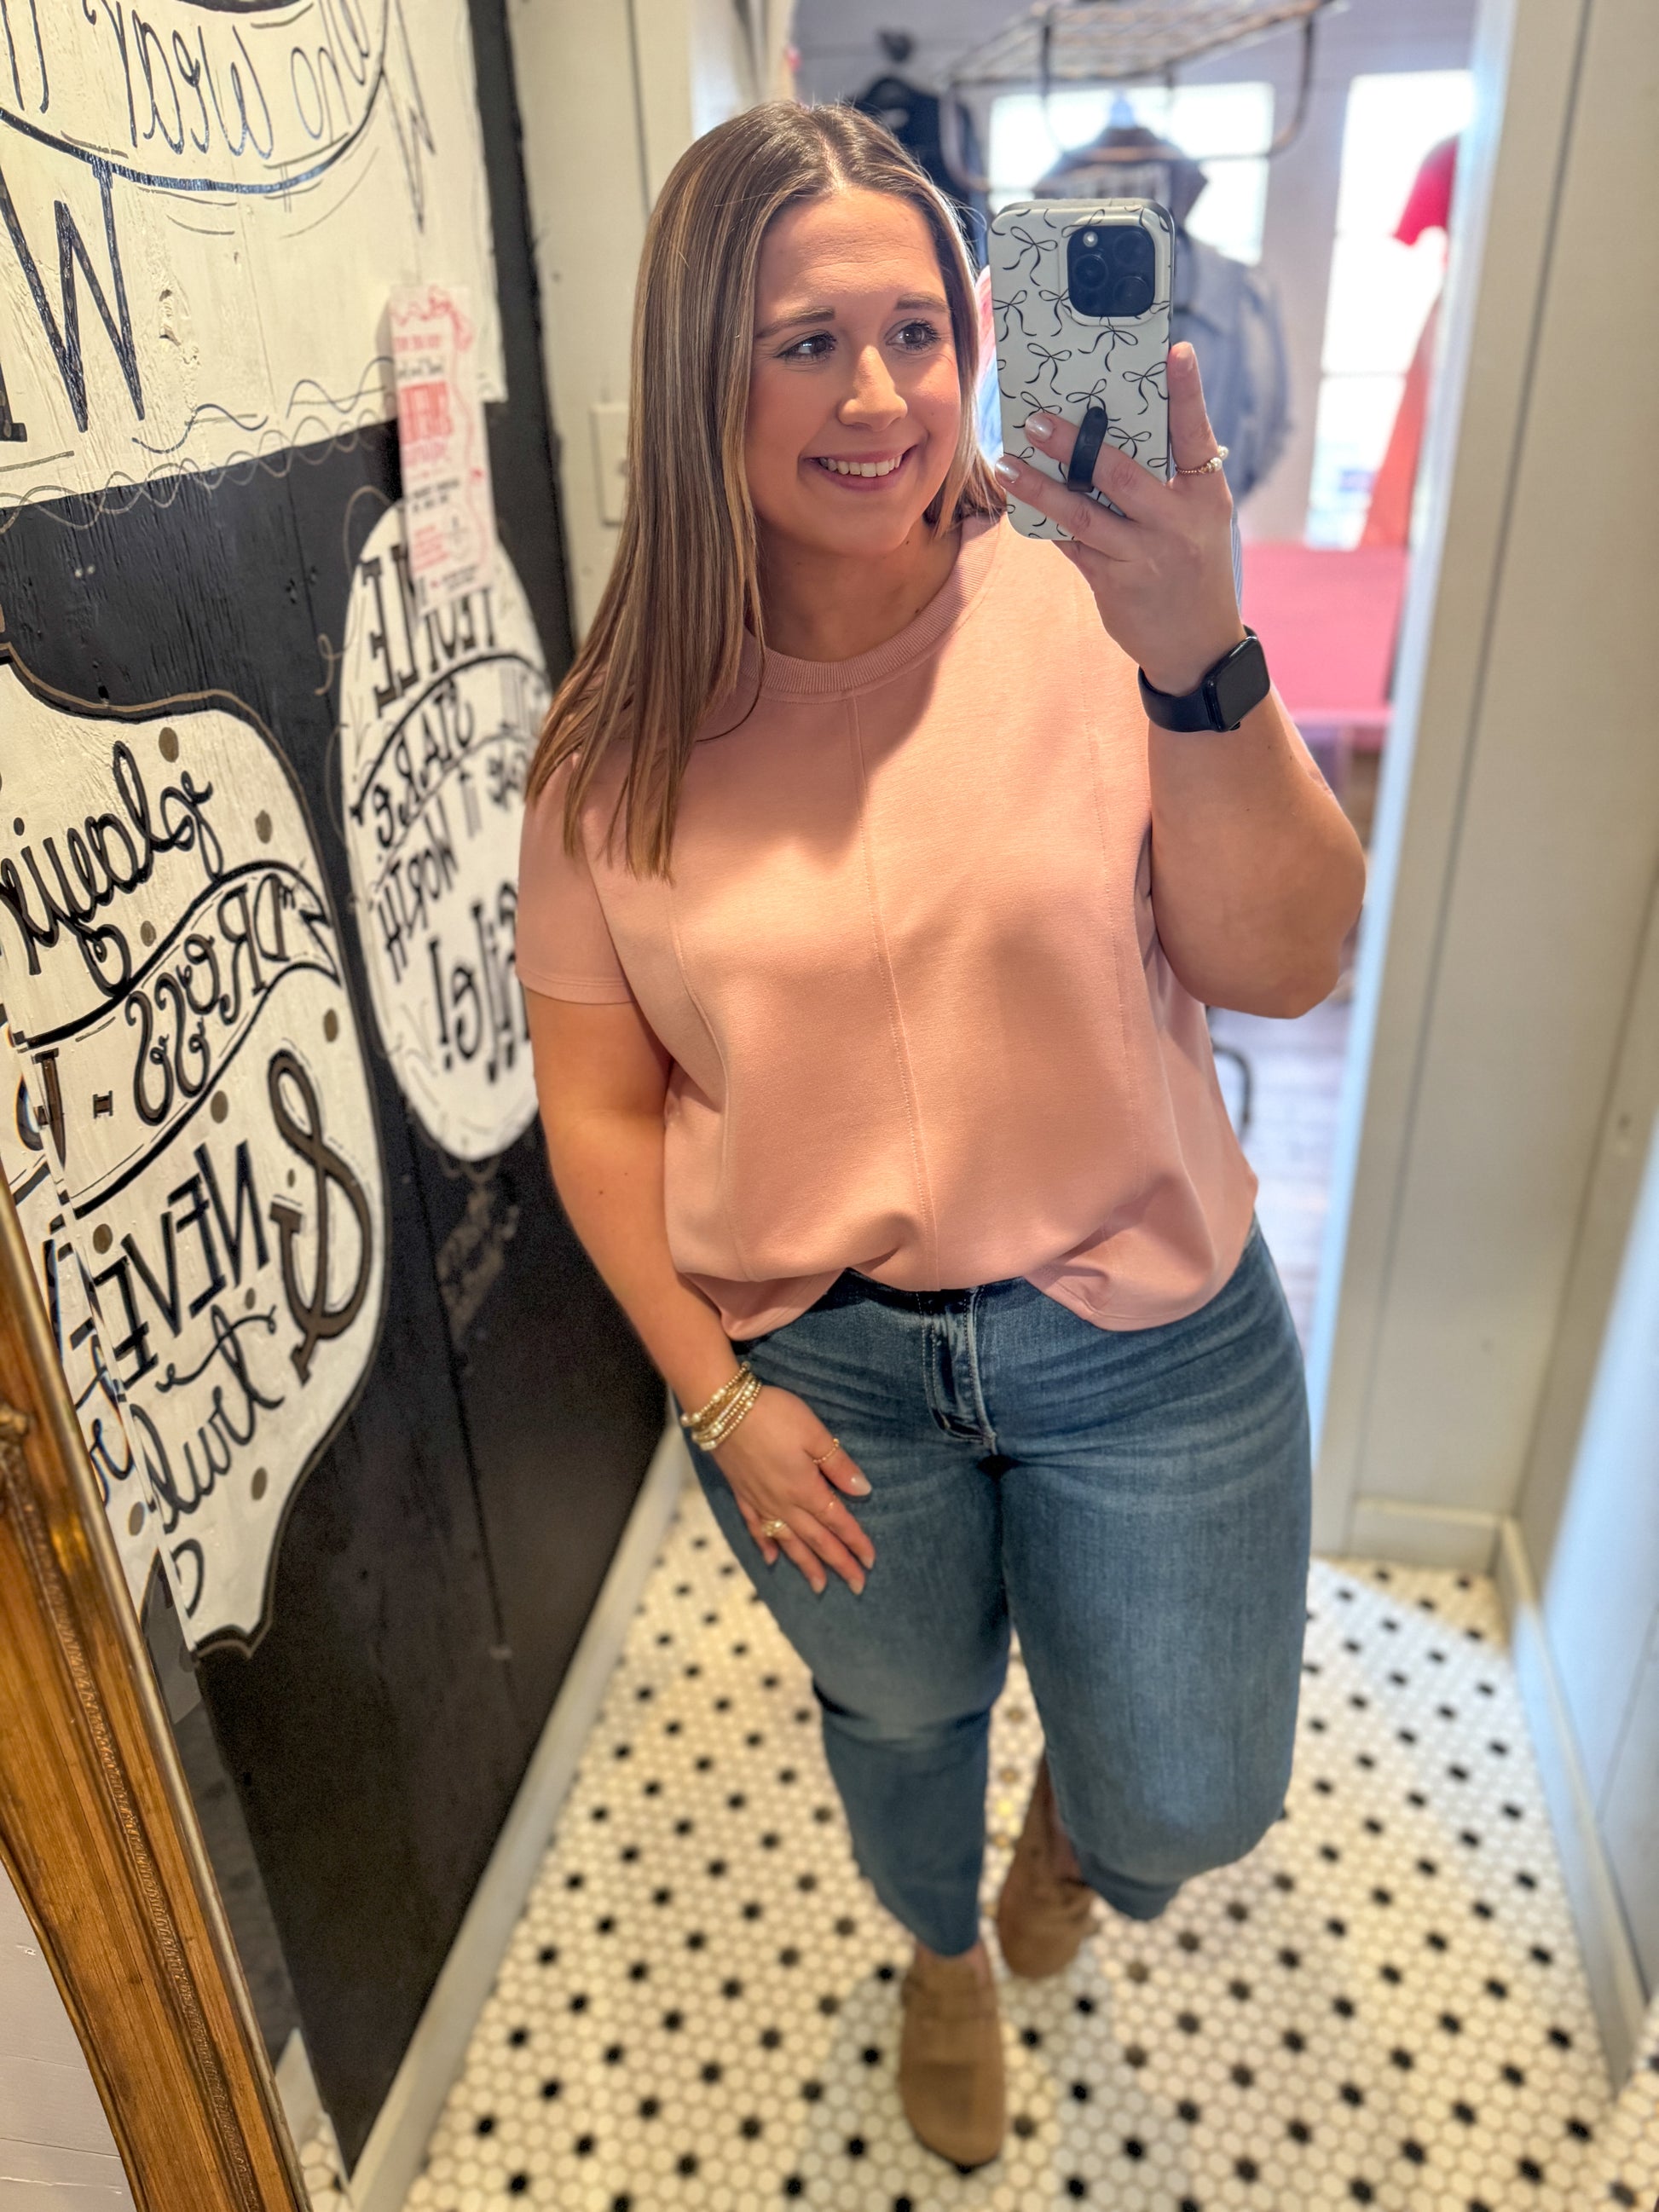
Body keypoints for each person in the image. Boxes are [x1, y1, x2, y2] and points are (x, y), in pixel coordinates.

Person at [517, 101, 1364, 2172]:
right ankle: (939, 1955)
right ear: (703, 359)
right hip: (823, 1363)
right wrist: (715, 1397)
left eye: (918, 327)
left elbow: (1283, 964)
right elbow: (602, 1108)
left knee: (1193, 1795)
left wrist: (1203, 654)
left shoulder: (1093, 605)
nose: (883, 393)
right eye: (809, 340)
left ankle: (1076, 1841)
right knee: (897, 1719)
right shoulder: (614, 744)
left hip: (1145, 1327)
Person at [1038, 114, 1291, 504]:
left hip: (1202, 522)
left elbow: (1269, 425)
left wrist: (1218, 502)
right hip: (1068, 521)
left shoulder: (1241, 292)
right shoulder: (1033, 291)